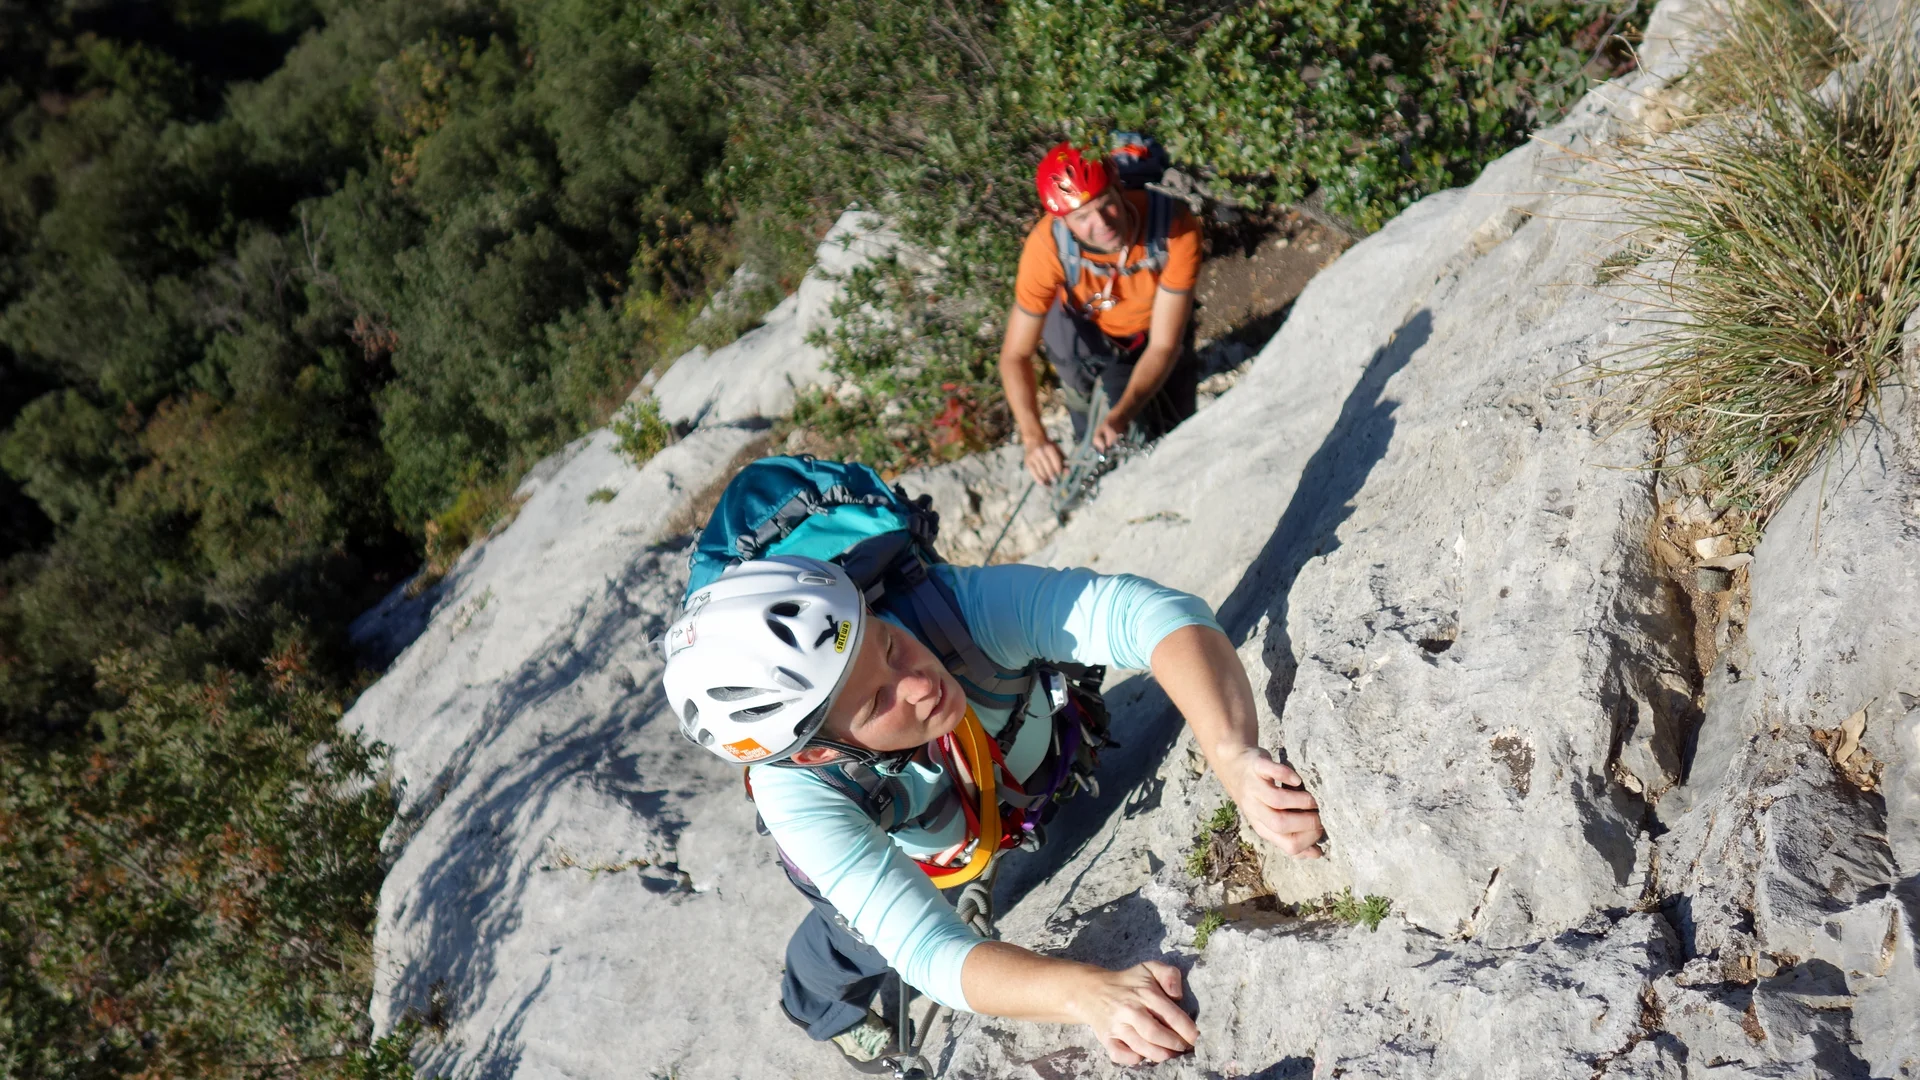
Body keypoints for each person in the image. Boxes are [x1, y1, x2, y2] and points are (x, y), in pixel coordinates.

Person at [662, 554, 1324, 1072]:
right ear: (813, 756)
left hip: (988, 798)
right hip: (924, 841)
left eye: (888, 646)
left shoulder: (942, 609)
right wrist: (1086, 995)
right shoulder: (800, 797)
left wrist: (1233, 753)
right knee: (849, 942)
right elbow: (926, 951)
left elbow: (1152, 614)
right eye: (875, 703)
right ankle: (821, 1013)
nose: (921, 684)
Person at [998, 140, 1203, 487]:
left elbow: (1165, 346)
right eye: (1082, 217)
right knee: (1091, 427)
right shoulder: (1047, 247)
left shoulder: (1175, 229)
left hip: (1152, 335)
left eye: (1106, 205)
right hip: (1088, 338)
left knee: (1177, 433)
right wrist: (1034, 438)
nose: (1102, 223)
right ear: (1062, 219)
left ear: (1119, 188)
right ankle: (1088, 431)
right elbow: (1015, 354)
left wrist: (1121, 414)